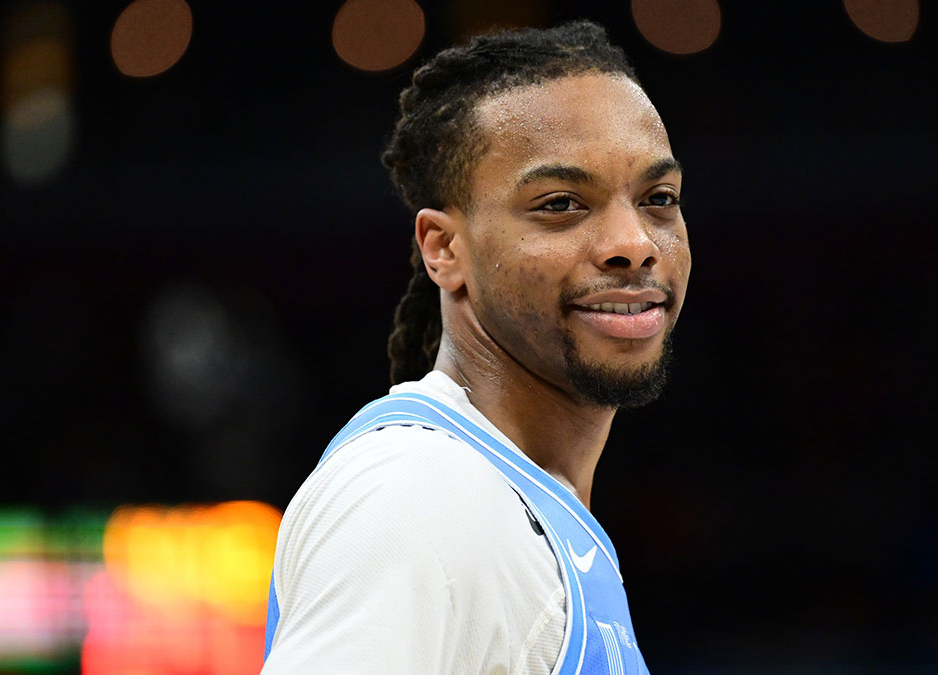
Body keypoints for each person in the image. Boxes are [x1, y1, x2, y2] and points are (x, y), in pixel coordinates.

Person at [262, 20, 691, 674]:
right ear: (444, 249)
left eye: (658, 198)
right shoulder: (417, 492)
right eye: (560, 203)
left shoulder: (515, 504)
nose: (635, 243)